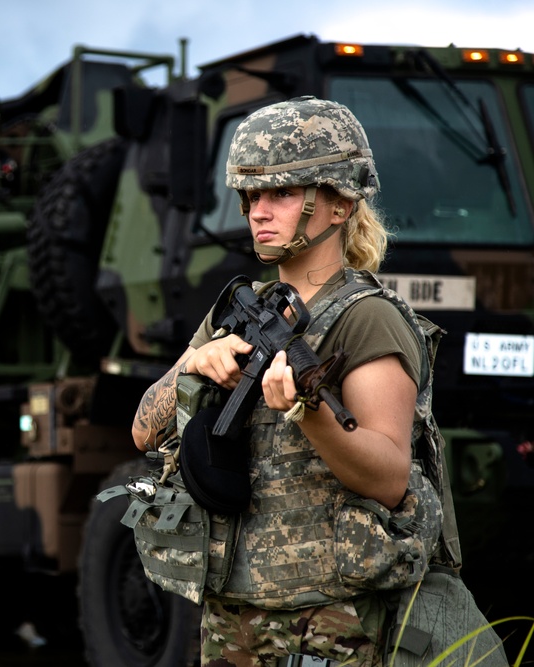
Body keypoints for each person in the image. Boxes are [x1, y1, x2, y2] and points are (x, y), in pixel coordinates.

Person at [131, 96, 438, 666]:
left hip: (327, 625)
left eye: (282, 193)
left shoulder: (366, 317)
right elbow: (143, 431)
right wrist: (195, 364)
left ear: (339, 205)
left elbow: (391, 475)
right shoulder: (239, 310)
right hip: (232, 616)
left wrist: (312, 414)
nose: (258, 211)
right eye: (251, 196)